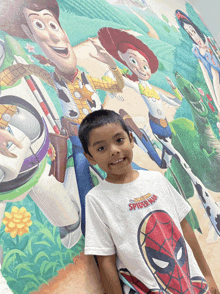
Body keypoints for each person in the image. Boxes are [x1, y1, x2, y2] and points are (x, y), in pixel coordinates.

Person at [0, 0, 124, 235]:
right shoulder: (51, 79)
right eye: (39, 26)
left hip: (103, 136)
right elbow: (25, 73)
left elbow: (116, 85)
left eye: (54, 25)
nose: (54, 37)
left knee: (127, 168)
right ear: (29, 33)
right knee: (82, 181)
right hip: (78, 142)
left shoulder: (86, 79)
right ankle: (89, 228)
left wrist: (112, 65)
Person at [78, 109, 219, 294]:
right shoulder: (96, 199)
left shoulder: (156, 180)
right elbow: (105, 261)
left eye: (119, 140)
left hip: (191, 285)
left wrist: (206, 275)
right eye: (101, 148)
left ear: (131, 139)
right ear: (90, 157)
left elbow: (184, 227)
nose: (114, 151)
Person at [176, 9, 220, 115]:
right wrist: (218, 106)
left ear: (196, 29)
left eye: (193, 31)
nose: (194, 37)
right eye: (190, 34)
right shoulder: (196, 51)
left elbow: (215, 77)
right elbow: (207, 78)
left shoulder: (210, 42)